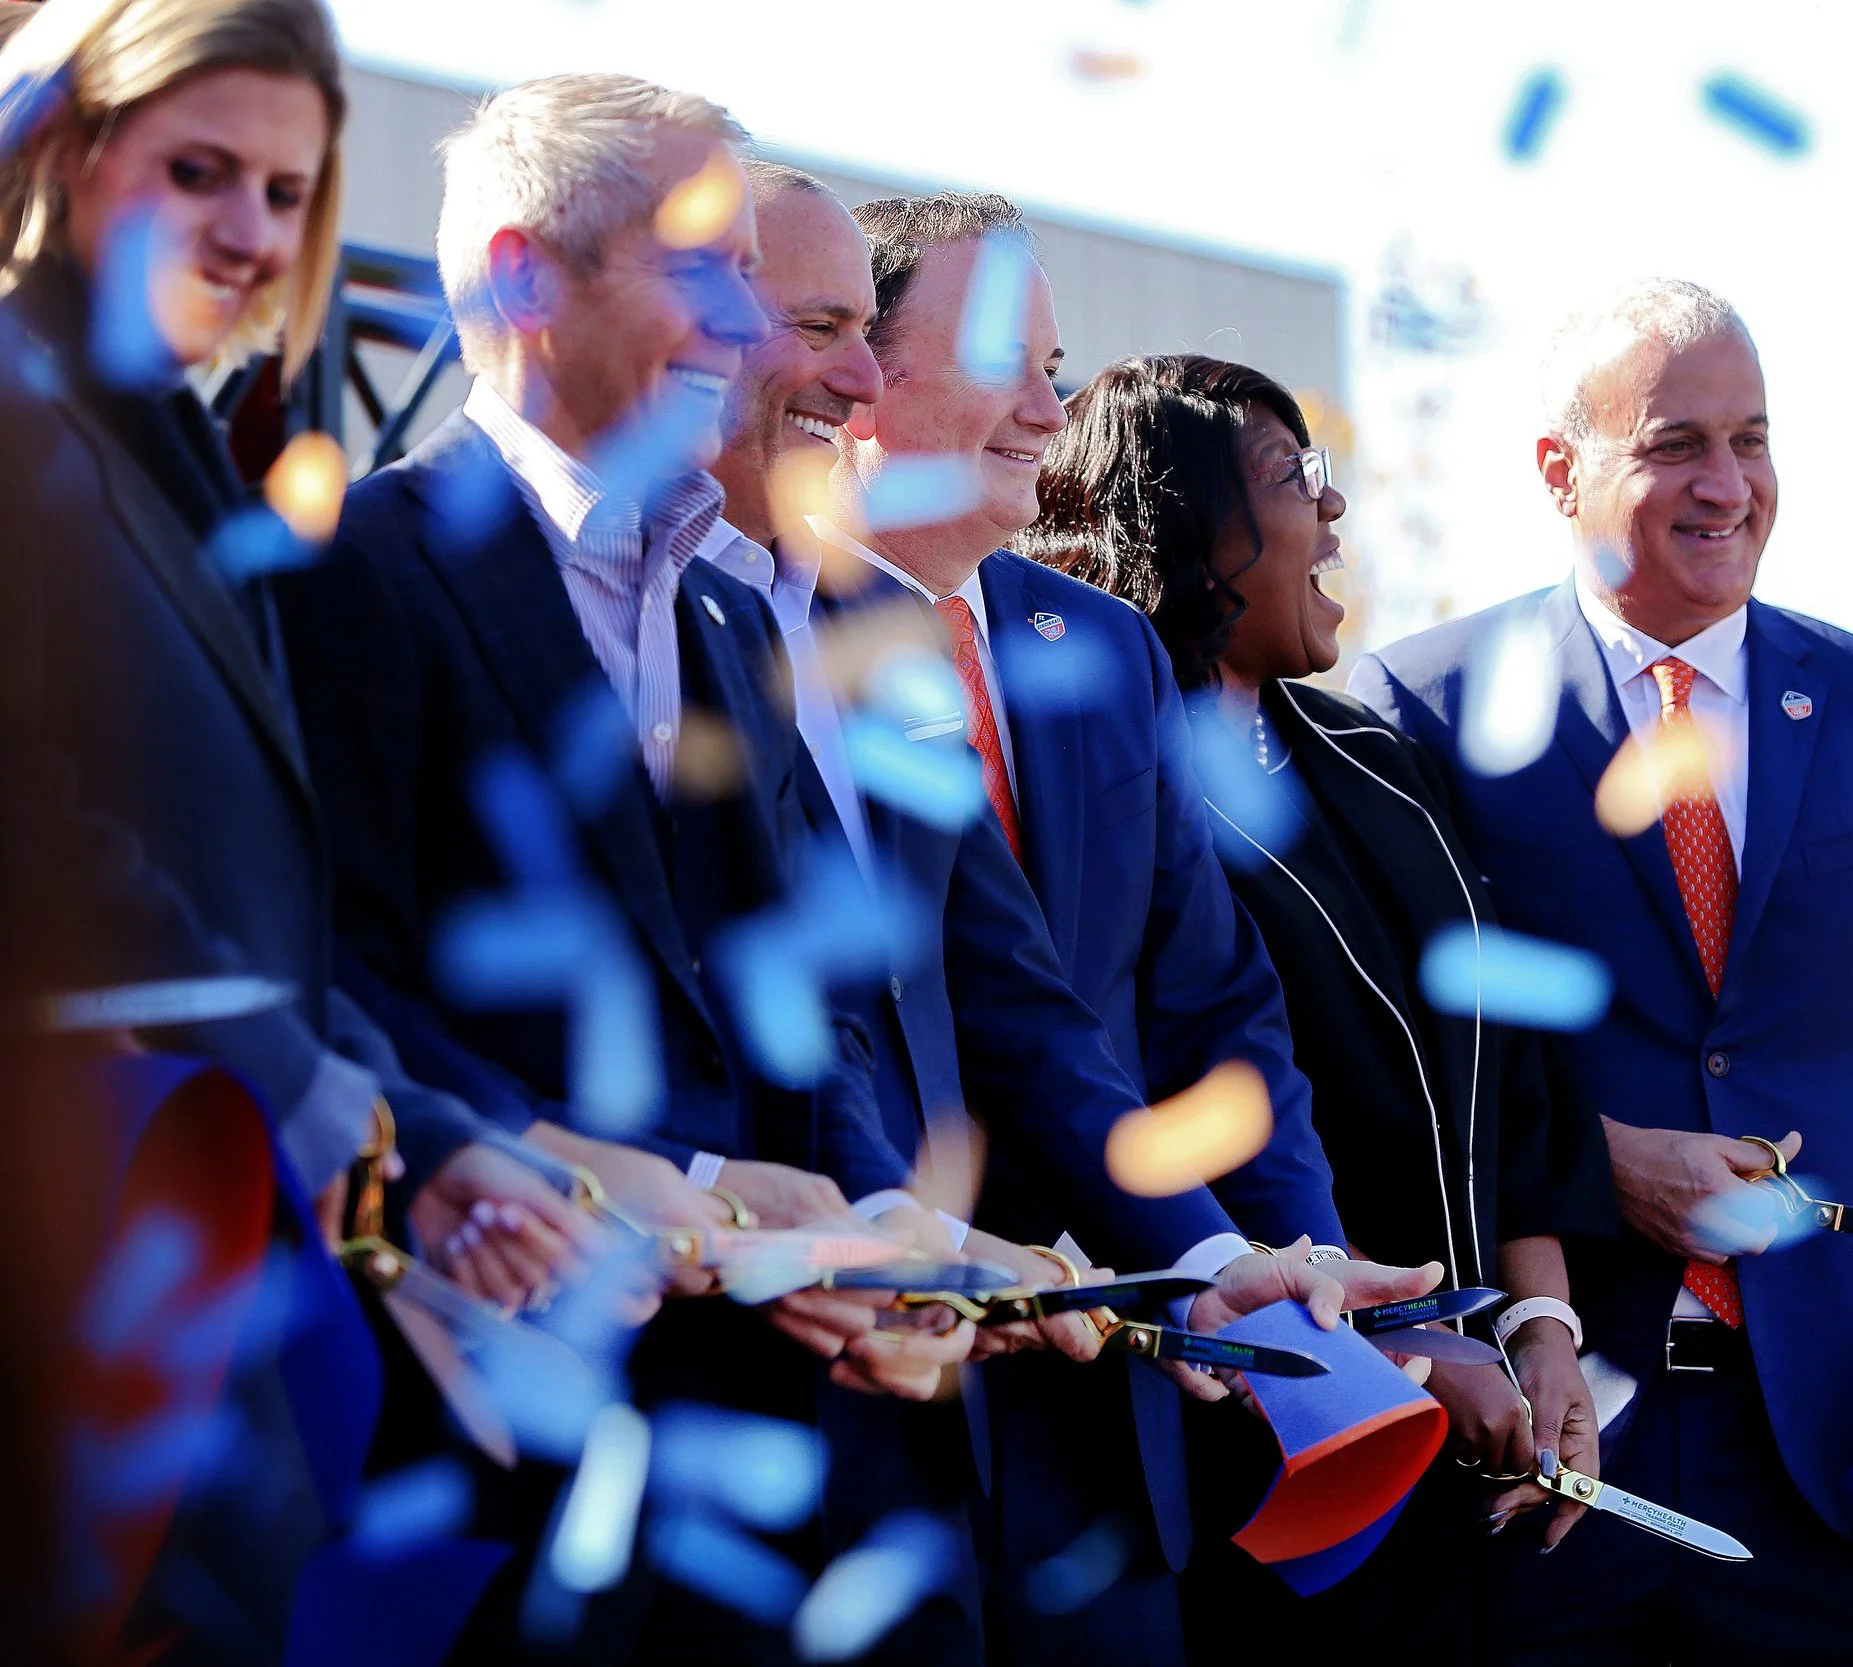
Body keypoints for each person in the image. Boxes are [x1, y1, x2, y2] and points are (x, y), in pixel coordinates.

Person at [269, 75, 976, 1663]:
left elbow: (798, 993)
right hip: (502, 1449)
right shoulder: (349, 572)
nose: (749, 326)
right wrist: (706, 1194)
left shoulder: (726, 613)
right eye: (701, 269)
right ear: (523, 279)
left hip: (766, 1465)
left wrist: (881, 1221)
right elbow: (336, 971)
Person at [697, 163, 1410, 1665]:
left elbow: (1203, 1005)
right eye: (997, 363)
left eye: (1055, 371)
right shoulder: (740, 622)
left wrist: (1282, 1265)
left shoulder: (1094, 646)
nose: (1044, 407)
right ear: (860, 373)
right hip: (857, 1386)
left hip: (1115, 1392)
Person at [0, 0, 604, 1654]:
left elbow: (249, 907)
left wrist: (425, 1130)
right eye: (201, 172)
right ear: (62, 144)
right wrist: (296, 1081)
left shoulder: (188, 458)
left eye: (286, 191)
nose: (252, 232)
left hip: (211, 1289)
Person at [1350, 279, 1853, 1665]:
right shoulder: (1413, 710)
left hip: (1845, 1444)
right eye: (1677, 441)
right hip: (1547, 1440)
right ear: (1560, 467)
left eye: (1754, 437)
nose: (1728, 483)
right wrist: (1597, 1161)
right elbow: (1405, 1064)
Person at [1021, 351, 1618, 1659]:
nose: (1332, 509)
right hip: (1251, 1426)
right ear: (1179, 521)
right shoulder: (1096, 776)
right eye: (1292, 476)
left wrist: (1538, 1322)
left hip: (1477, 1422)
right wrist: (1394, 1335)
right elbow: (1152, 1096)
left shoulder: (1373, 755)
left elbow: (1505, 1070)